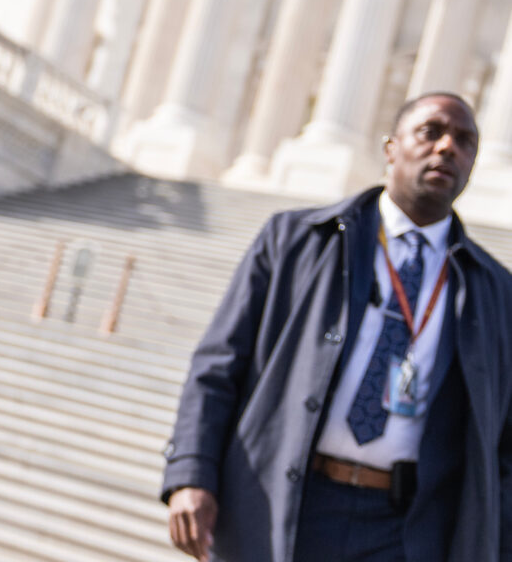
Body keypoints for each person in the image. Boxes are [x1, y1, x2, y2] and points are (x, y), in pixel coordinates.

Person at [163, 92, 512, 561]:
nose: (448, 148)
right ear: (391, 147)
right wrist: (191, 471)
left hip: (406, 530)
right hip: (285, 502)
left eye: (465, 141)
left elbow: (505, 443)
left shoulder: (495, 292)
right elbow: (218, 365)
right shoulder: (295, 241)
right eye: (431, 132)